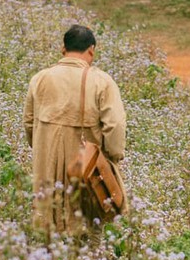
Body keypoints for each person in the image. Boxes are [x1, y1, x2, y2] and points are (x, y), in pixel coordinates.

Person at [24, 24, 126, 235]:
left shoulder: (39, 79)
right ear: (91, 50)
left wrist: (43, 149)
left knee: (48, 231)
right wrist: (112, 158)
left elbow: (28, 123)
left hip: (46, 169)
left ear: (63, 49)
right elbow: (115, 125)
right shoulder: (102, 82)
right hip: (86, 173)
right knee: (88, 231)